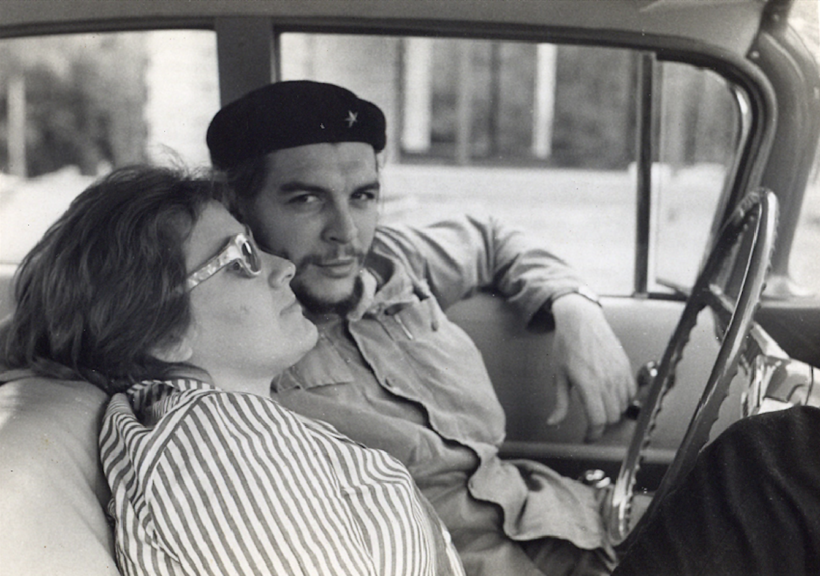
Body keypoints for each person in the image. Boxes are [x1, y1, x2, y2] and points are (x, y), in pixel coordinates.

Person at [206, 80, 637, 576]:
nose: (346, 232)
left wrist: (575, 306)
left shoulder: (392, 258)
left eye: (363, 196)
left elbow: (491, 239)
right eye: (307, 199)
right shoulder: (233, 340)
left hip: (563, 522)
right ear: (236, 208)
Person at [2, 165, 465, 576]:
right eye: (242, 257)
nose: (284, 268)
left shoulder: (234, 427)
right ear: (164, 332)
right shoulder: (213, 441)